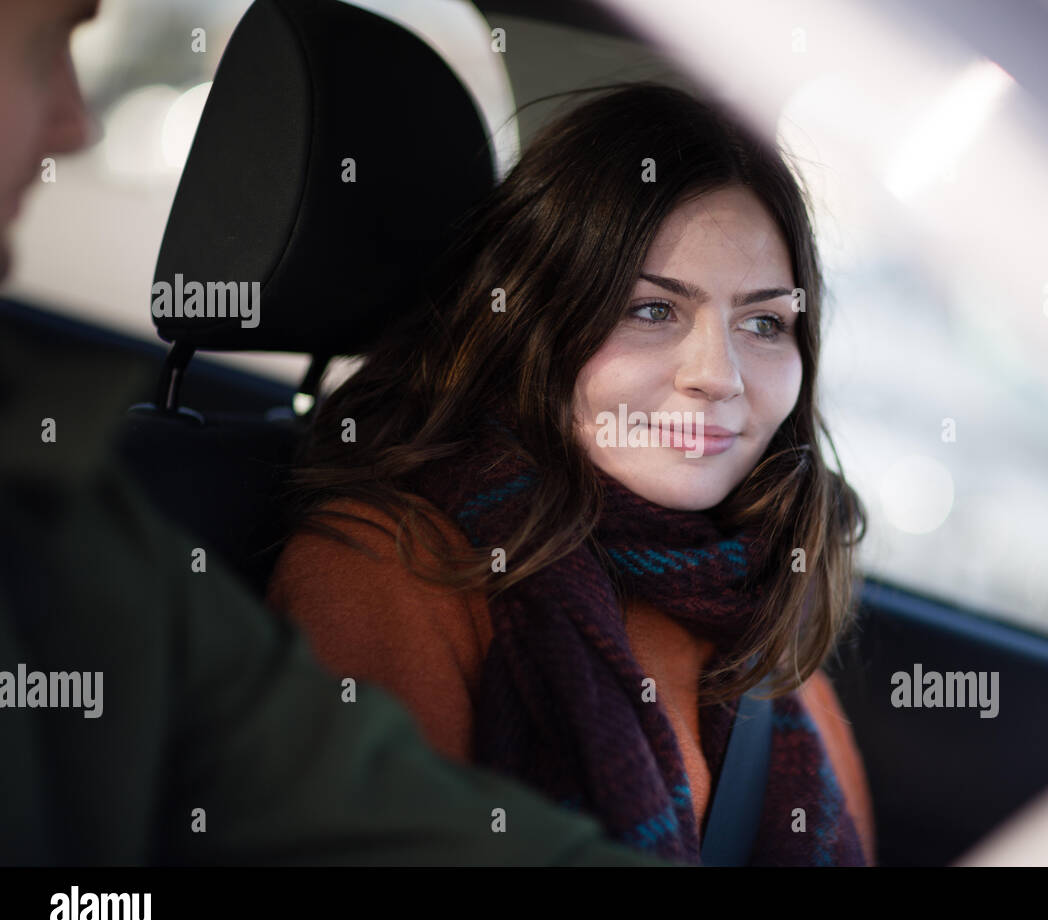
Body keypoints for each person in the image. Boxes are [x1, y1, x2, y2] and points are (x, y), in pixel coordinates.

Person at [0, 0, 664, 867]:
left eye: (769, 322)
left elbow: (377, 816)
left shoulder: (78, 535)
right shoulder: (386, 555)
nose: (75, 122)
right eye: (46, 46)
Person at [269, 83, 878, 865]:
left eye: (764, 323)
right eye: (652, 310)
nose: (718, 375)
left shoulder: (766, 615)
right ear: (534, 320)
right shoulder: (385, 569)